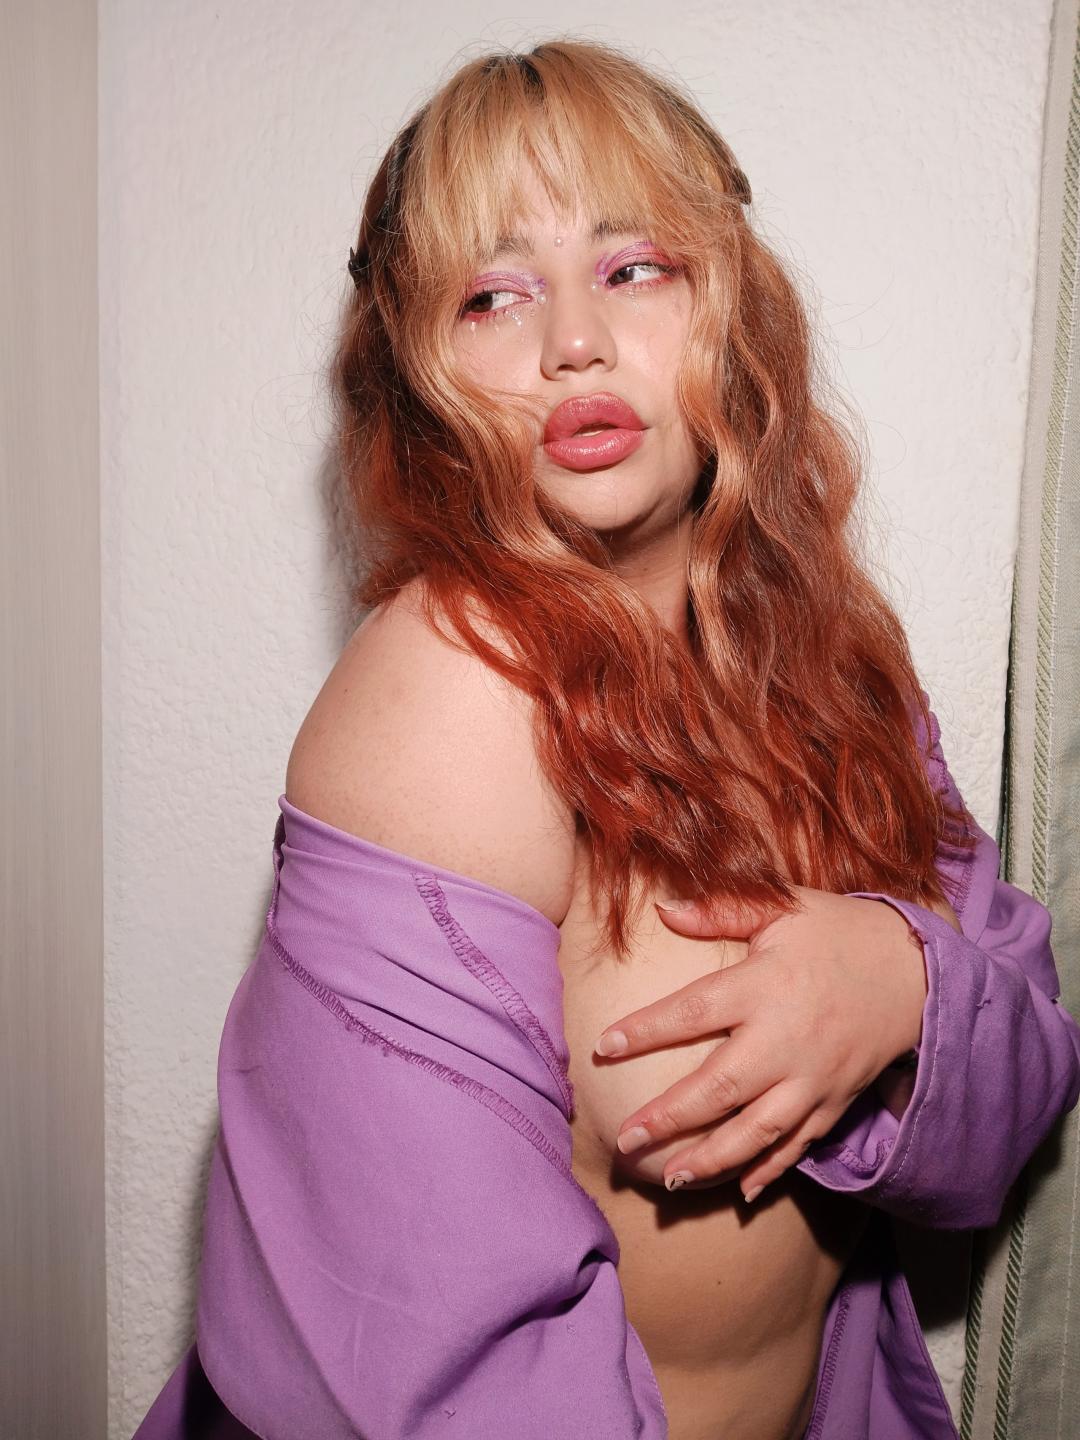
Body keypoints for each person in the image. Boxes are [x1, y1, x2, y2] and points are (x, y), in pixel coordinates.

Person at [133, 37, 1080, 1440]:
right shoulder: (449, 697)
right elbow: (441, 1379)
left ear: (730, 310)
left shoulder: (829, 668)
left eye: (635, 267)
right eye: (493, 294)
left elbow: (1023, 1082)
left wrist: (904, 984)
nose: (574, 339)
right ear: (420, 372)